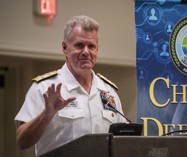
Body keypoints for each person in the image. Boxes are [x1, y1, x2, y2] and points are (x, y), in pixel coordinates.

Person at [14, 15, 127, 156]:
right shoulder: (45, 87)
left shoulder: (108, 91)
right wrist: (47, 115)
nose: (86, 52)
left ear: (97, 49)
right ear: (65, 48)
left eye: (91, 46)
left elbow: (122, 141)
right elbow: (22, 141)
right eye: (79, 45)